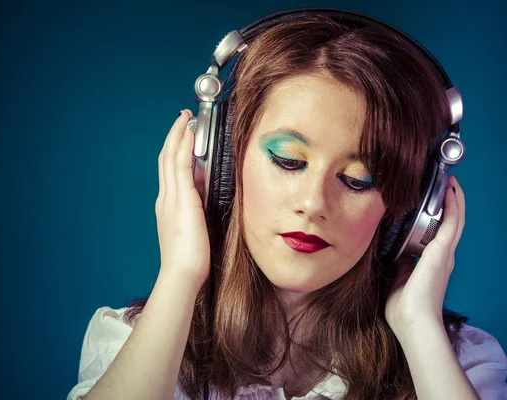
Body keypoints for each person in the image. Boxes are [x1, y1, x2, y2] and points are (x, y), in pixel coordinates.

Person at [67, 10, 507, 400]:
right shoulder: (128, 340)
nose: (314, 204)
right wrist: (180, 277)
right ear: (220, 162)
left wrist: (418, 328)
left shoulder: (461, 364)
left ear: (409, 214)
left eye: (358, 180)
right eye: (288, 160)